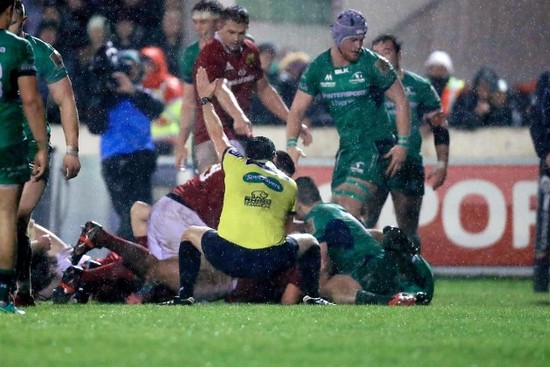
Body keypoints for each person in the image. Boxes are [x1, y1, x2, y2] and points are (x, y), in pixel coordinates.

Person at [166, 66, 331, 306]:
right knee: (311, 243)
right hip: (268, 262)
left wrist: (205, 99)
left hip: (228, 258)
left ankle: (185, 295)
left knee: (190, 234)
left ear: (247, 155)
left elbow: (217, 133)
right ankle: (312, 296)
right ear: (274, 159)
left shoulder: (234, 164)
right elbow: (285, 229)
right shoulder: (288, 184)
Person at [286, 9, 411, 221]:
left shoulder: (373, 64)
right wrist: (291, 144)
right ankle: (372, 251)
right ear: (338, 38)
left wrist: (403, 143)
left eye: (361, 39)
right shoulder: (318, 68)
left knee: (348, 208)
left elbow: (401, 101)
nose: (358, 46)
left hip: (375, 145)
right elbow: (297, 110)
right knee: (336, 212)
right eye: (352, 40)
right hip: (347, 147)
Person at [9, 0, 81, 307]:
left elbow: (65, 101)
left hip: (31, 147)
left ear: (25, 17)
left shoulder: (42, 53)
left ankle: (19, 289)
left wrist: (72, 150)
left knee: (17, 218)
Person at [188, 6, 310, 173]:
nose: (236, 38)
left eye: (241, 33)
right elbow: (220, 87)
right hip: (211, 135)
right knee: (214, 189)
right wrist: (238, 116)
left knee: (243, 189)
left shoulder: (250, 50)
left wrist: (291, 119)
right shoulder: (210, 52)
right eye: (231, 32)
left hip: (241, 134)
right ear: (219, 27)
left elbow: (264, 88)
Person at [366, 34, 449, 250]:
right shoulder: (366, 87)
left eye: (386, 52)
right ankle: (366, 278)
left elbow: (439, 126)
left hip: (408, 162)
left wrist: (442, 163)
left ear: (398, 54)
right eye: (376, 54)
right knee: (362, 225)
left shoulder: (419, 86)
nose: (381, 59)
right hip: (373, 160)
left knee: (408, 229)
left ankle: (413, 279)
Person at [295, 176, 434, 305]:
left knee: (330, 287)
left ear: (297, 204)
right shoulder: (336, 208)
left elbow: (323, 264)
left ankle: (387, 301)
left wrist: (318, 291)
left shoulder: (312, 218)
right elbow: (367, 233)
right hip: (384, 262)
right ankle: (406, 295)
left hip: (365, 270)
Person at [85, 43, 164, 241]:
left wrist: (131, 90)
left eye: (134, 68)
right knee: (128, 216)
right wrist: (101, 93)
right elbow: (95, 127)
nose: (131, 72)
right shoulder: (106, 97)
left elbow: (156, 108)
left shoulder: (142, 95)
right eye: (125, 68)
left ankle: (130, 260)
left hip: (140, 161)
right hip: (116, 163)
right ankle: (124, 262)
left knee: (142, 215)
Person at [0, 0, 49, 315]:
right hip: (7, 140)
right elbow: (31, 101)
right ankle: (3, 297)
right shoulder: (18, 47)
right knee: (5, 217)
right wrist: (42, 145)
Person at [175, 0, 223, 171]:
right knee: (206, 186)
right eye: (195, 22)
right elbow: (188, 102)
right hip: (204, 132)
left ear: (218, 23)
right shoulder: (190, 54)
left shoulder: (235, 49)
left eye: (204, 22)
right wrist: (181, 143)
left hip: (232, 130)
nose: (198, 27)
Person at [140, 46, 183, 155]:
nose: (146, 67)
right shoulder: (139, 85)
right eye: (144, 63)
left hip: (167, 137)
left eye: (150, 63)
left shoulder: (170, 84)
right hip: (144, 139)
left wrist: (162, 117)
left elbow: (179, 109)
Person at [529, 71, 550, 292]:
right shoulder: (546, 81)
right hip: (549, 163)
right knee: (546, 220)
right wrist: (545, 152)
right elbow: (535, 118)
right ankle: (541, 279)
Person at [424, 50, 465, 117]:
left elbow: (462, 110)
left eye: (441, 68)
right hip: (427, 125)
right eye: (435, 68)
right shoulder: (423, 85)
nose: (438, 71)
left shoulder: (457, 86)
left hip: (451, 124)